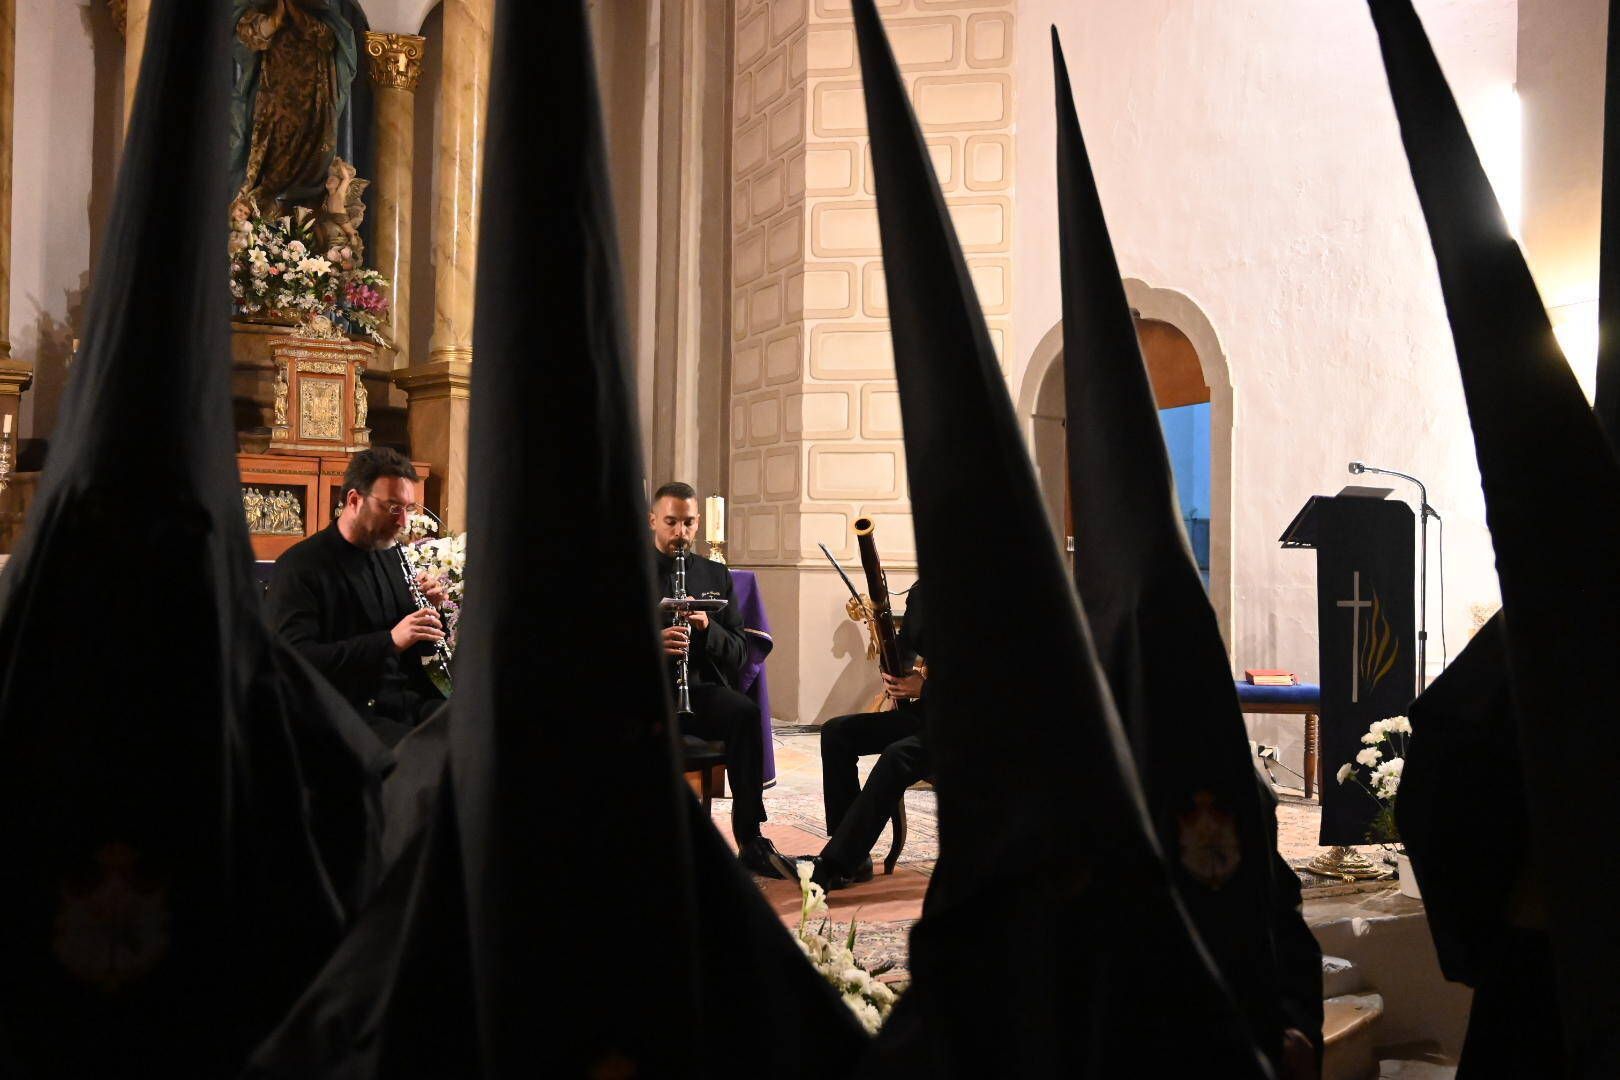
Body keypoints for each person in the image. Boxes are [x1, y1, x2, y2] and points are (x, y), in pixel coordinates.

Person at [650, 482, 794, 880]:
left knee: (744, 713)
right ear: (653, 521)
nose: (680, 532)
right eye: (671, 522)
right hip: (644, 693)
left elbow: (738, 651)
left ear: (697, 524)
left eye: (688, 523)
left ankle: (749, 838)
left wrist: (708, 628)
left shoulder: (715, 575)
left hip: (697, 690)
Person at [267, 448, 450, 747]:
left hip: (406, 705)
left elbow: (415, 643)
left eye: (408, 508)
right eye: (392, 507)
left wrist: (430, 609)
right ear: (354, 500)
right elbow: (294, 661)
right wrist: (390, 641)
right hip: (347, 715)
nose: (403, 521)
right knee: (436, 758)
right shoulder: (300, 566)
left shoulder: (389, 553)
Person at [812, 582, 930, 890]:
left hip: (972, 723)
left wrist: (926, 687)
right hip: (929, 714)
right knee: (837, 732)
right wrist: (886, 641)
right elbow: (903, 655)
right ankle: (852, 854)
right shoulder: (925, 591)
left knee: (898, 755)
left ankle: (836, 863)